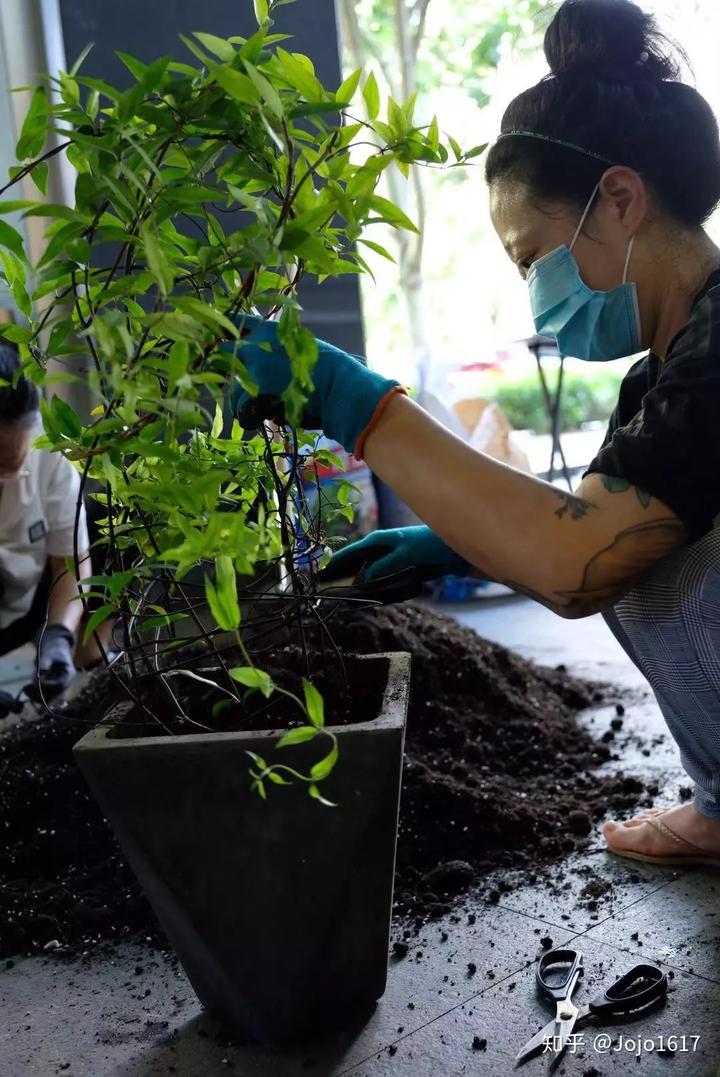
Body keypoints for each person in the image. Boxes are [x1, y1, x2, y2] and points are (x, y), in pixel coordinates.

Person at [230, 0, 720, 869]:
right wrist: (458, 545)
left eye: (533, 259)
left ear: (619, 199)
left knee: (626, 558)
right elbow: (581, 523)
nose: (536, 292)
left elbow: (580, 562)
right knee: (629, 537)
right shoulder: (666, 371)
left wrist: (353, 400)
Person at [0, 341, 92, 710]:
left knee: (111, 533)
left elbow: (70, 563)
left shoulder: (48, 454)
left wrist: (58, 636)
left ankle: (78, 668)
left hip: (28, 596)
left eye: (9, 460)